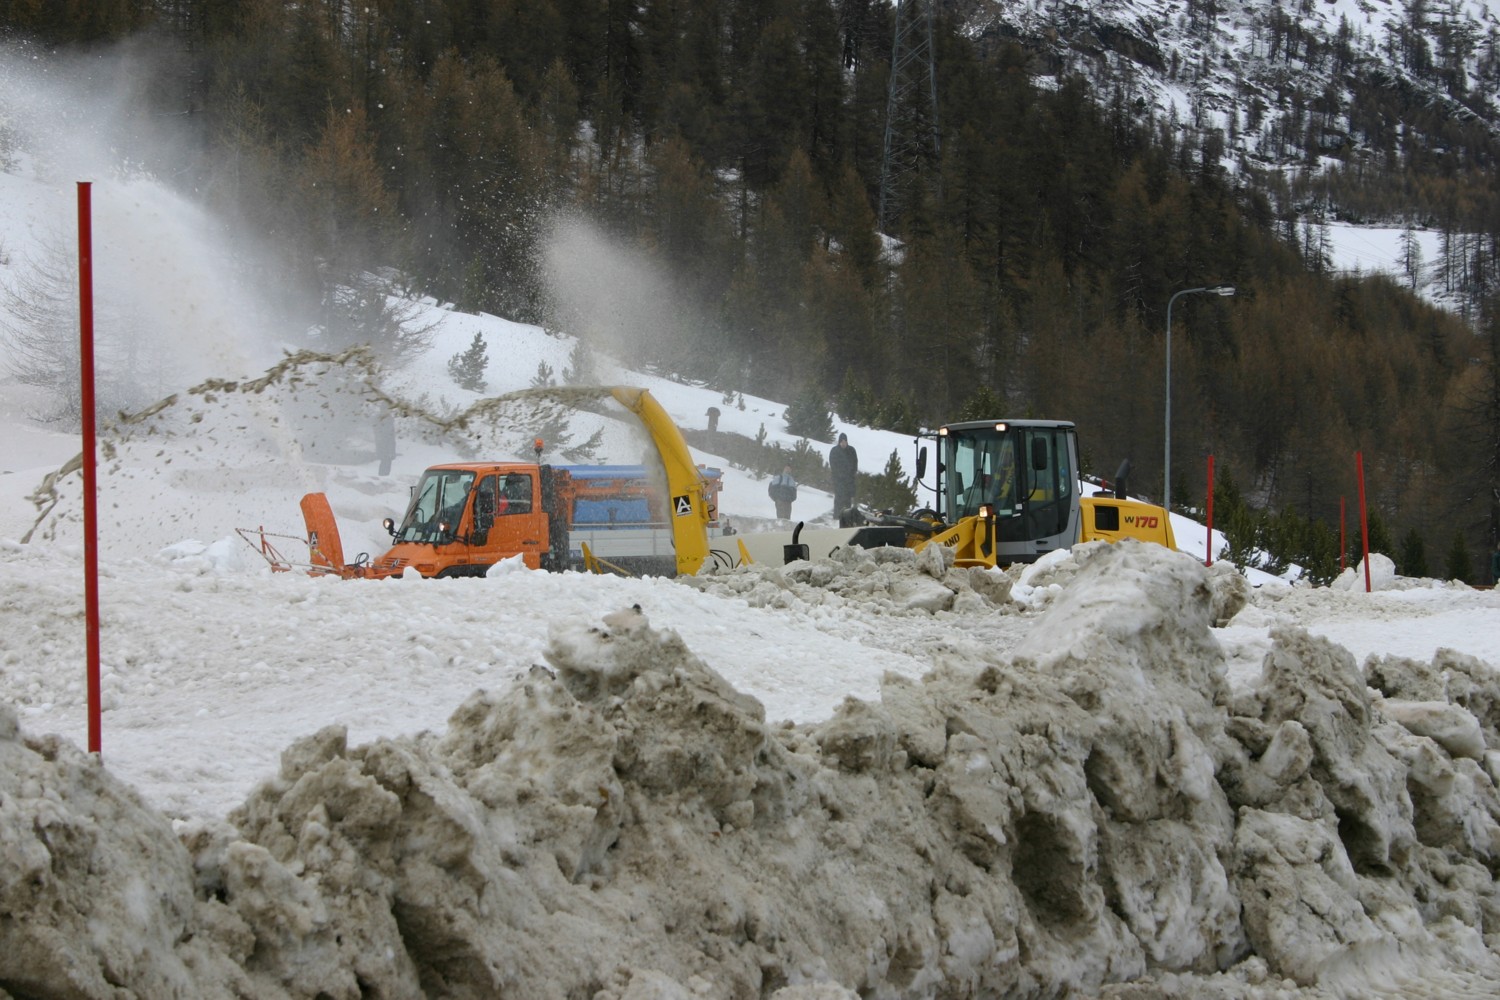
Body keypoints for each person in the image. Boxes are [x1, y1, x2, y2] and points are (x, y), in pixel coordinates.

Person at [829, 432, 858, 519]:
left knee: (848, 499)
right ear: (839, 442)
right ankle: (837, 516)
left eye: (845, 441)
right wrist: (838, 475)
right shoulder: (834, 451)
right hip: (838, 479)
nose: (843, 443)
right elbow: (832, 464)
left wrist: (852, 474)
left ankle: (847, 517)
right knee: (839, 498)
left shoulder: (851, 450)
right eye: (842, 441)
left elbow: (855, 463)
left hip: (849, 480)